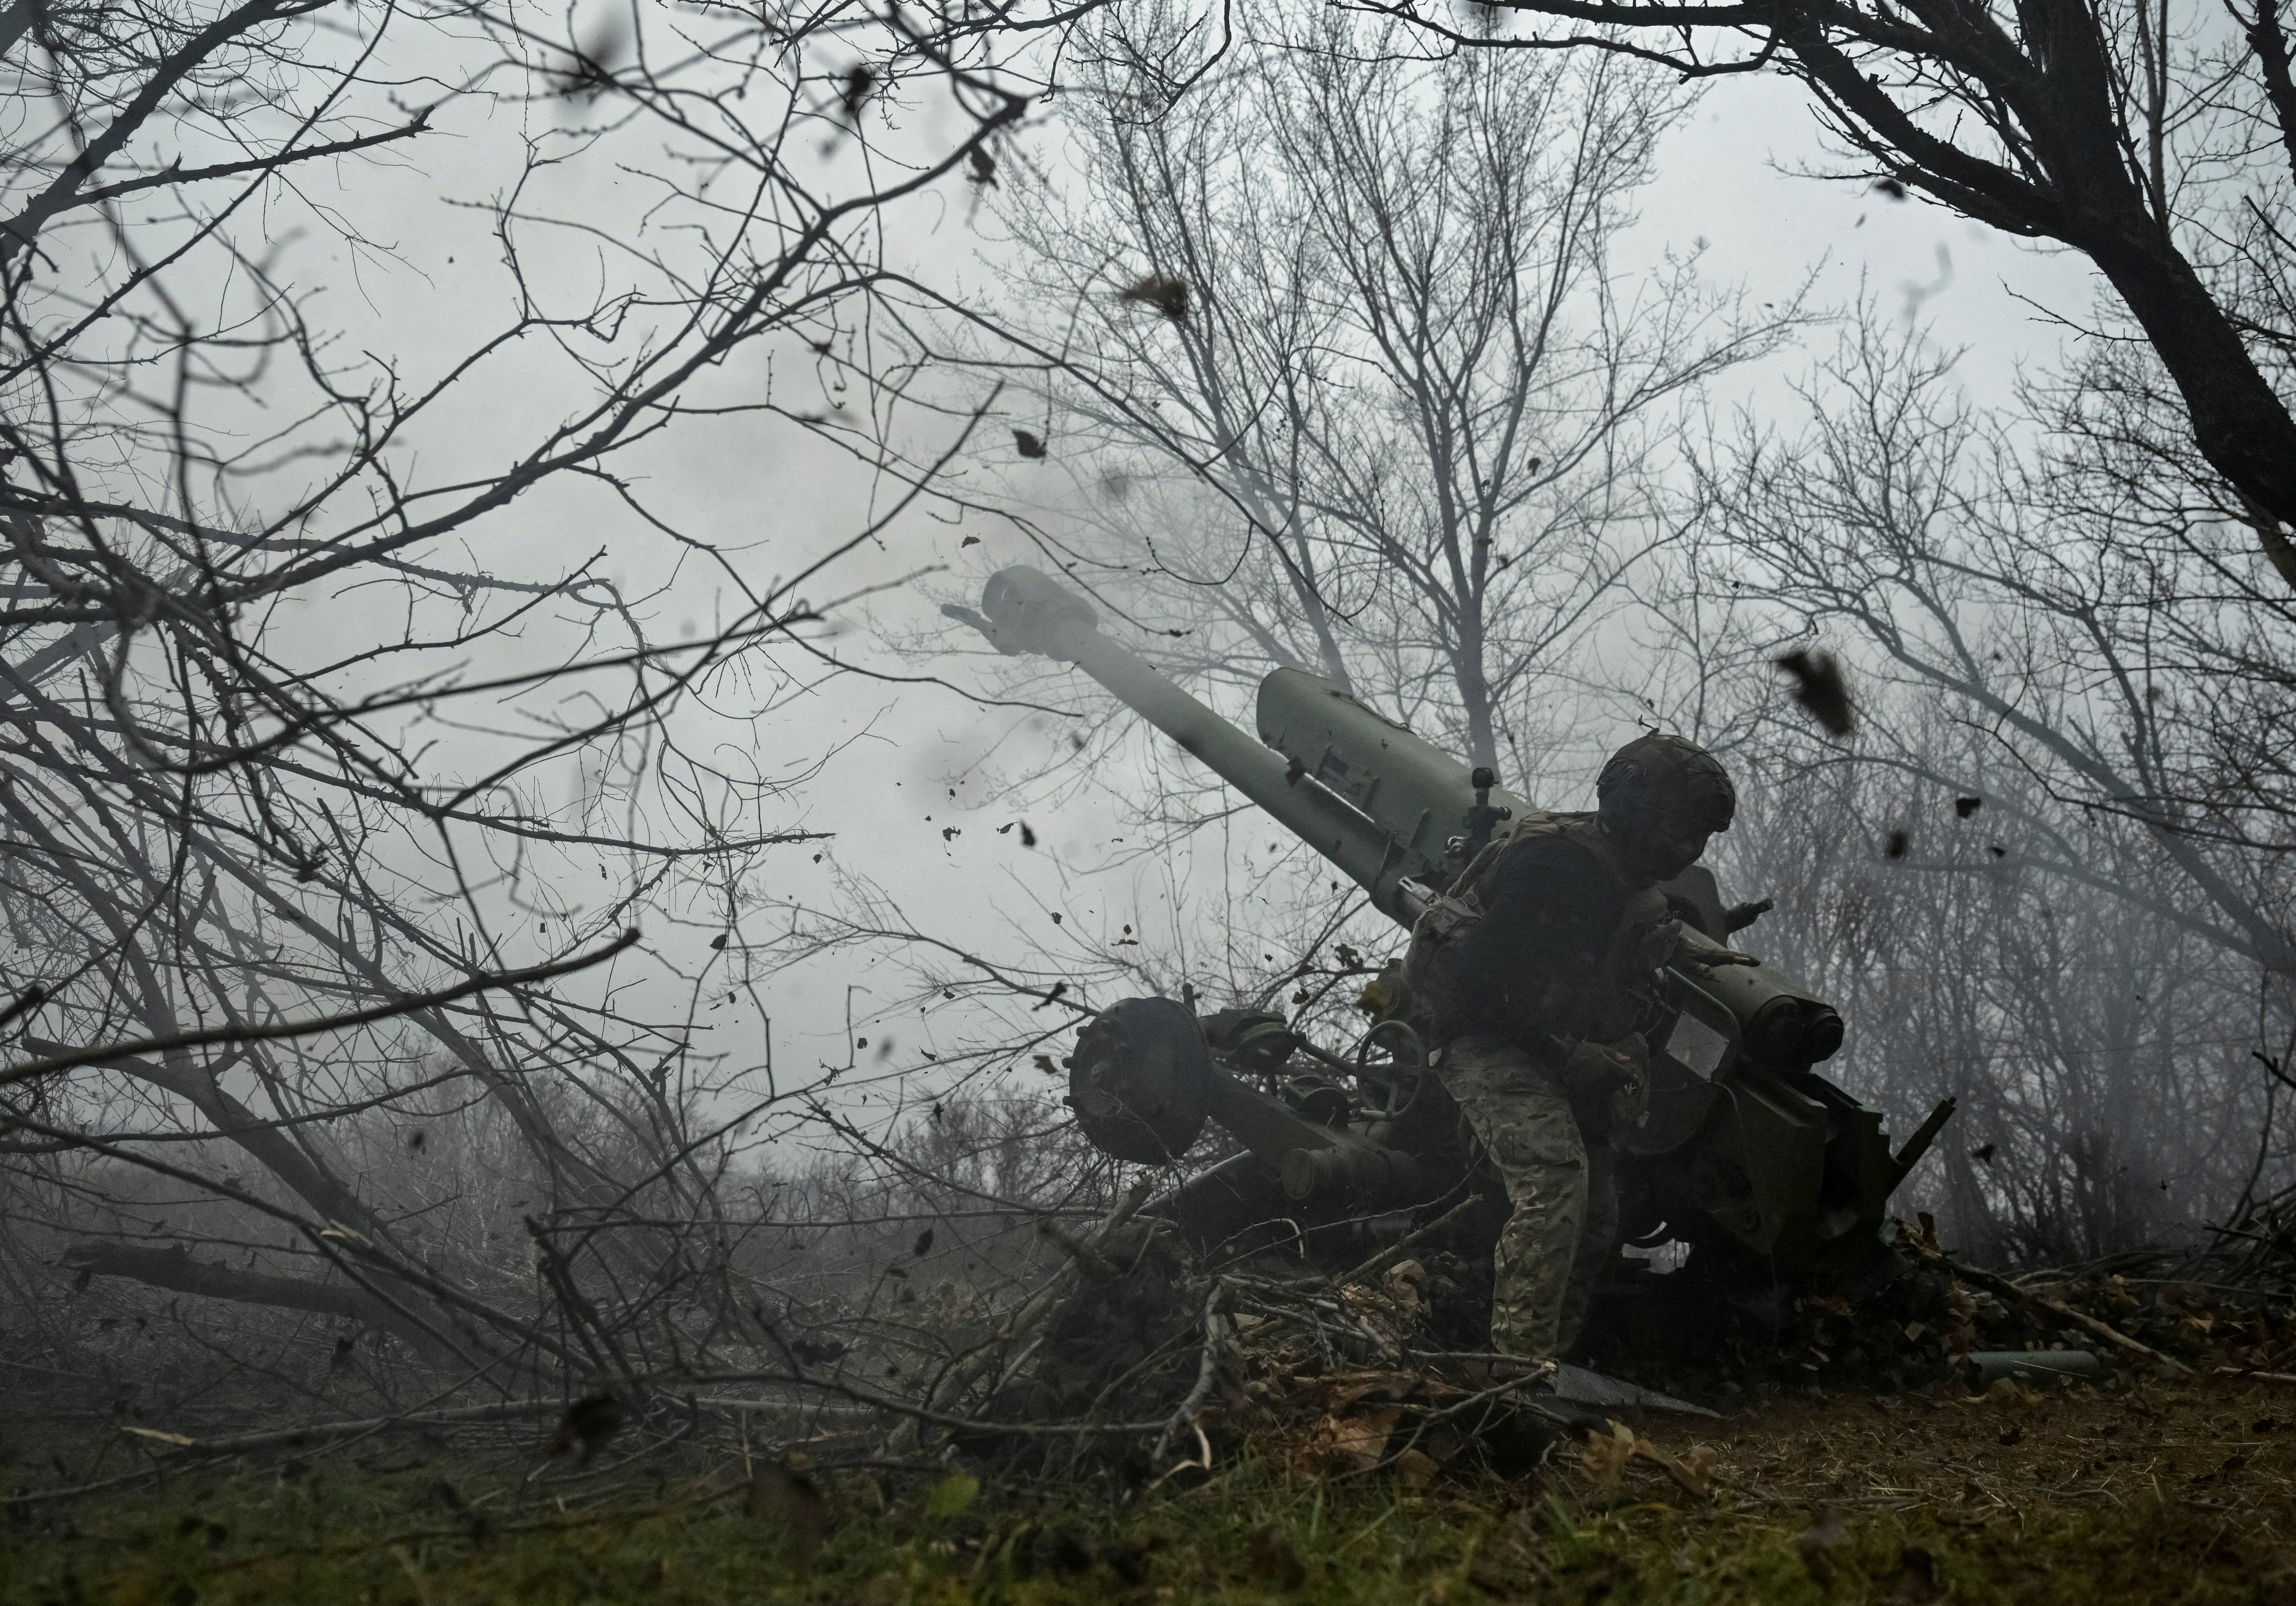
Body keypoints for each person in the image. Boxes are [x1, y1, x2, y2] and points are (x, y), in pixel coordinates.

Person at [1406, 732, 1743, 1364]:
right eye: (1679, 828)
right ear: (1636, 808)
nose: (1688, 849)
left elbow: (1594, 950)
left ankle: (1547, 1364)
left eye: (1700, 837)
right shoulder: (1559, 866)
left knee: (1598, 1217)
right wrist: (1565, 1055)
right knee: (1556, 1182)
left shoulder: (1629, 881)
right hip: (1486, 1039)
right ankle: (1516, 1378)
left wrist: (1674, 949)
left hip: (1553, 1044)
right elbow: (1479, 982)